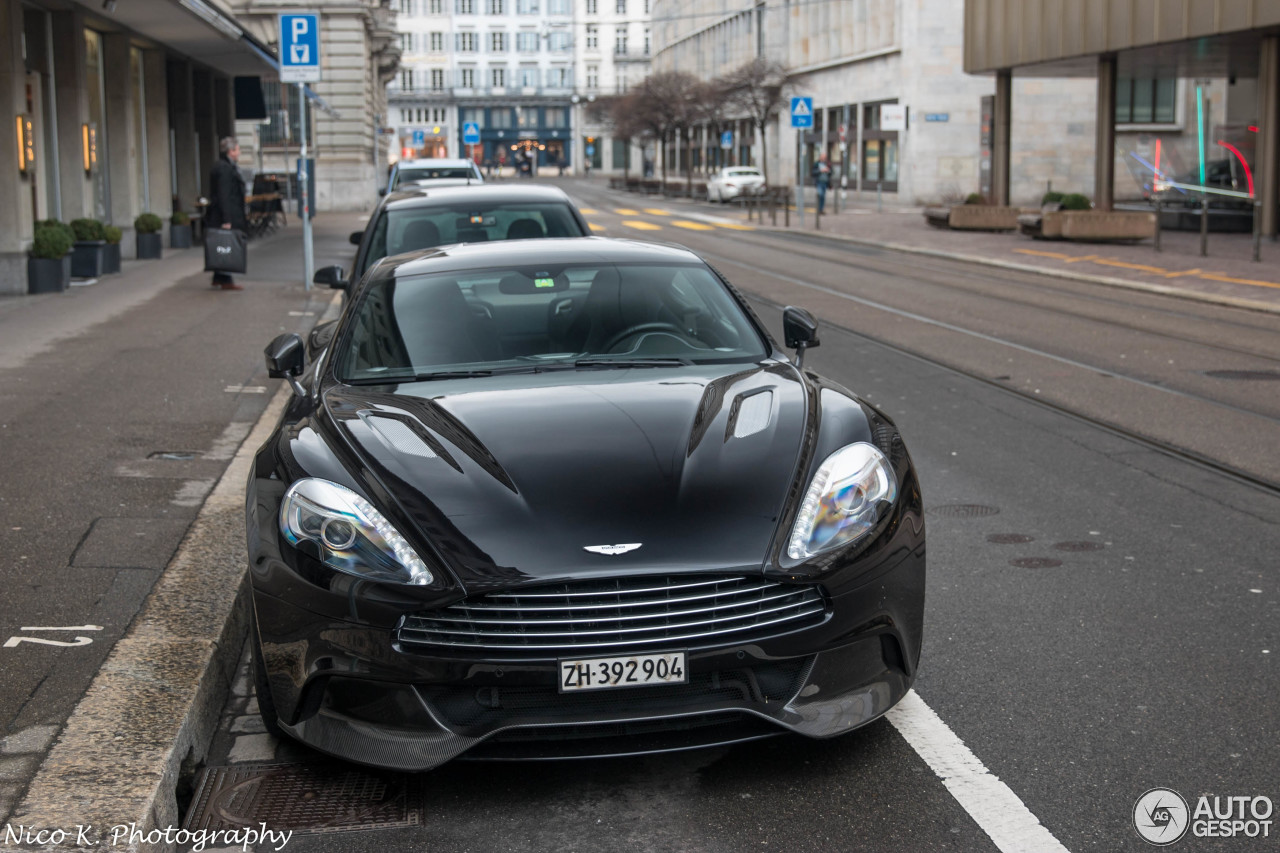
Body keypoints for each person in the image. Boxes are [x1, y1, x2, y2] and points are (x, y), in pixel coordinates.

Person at [206, 136, 247, 290]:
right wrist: (227, 219)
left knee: (222, 244)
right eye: (237, 149)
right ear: (231, 151)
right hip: (225, 214)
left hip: (223, 213)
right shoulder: (224, 168)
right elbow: (224, 194)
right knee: (227, 245)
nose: (240, 152)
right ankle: (226, 279)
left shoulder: (224, 166)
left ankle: (218, 277)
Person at [812, 151, 832, 215]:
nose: (824, 158)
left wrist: (828, 171)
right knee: (820, 194)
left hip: (825, 182)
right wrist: (820, 170)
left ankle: (821, 209)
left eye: (825, 157)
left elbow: (831, 172)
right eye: (823, 157)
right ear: (820, 157)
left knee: (823, 196)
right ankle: (819, 208)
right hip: (819, 182)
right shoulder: (816, 164)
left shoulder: (827, 164)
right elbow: (813, 172)